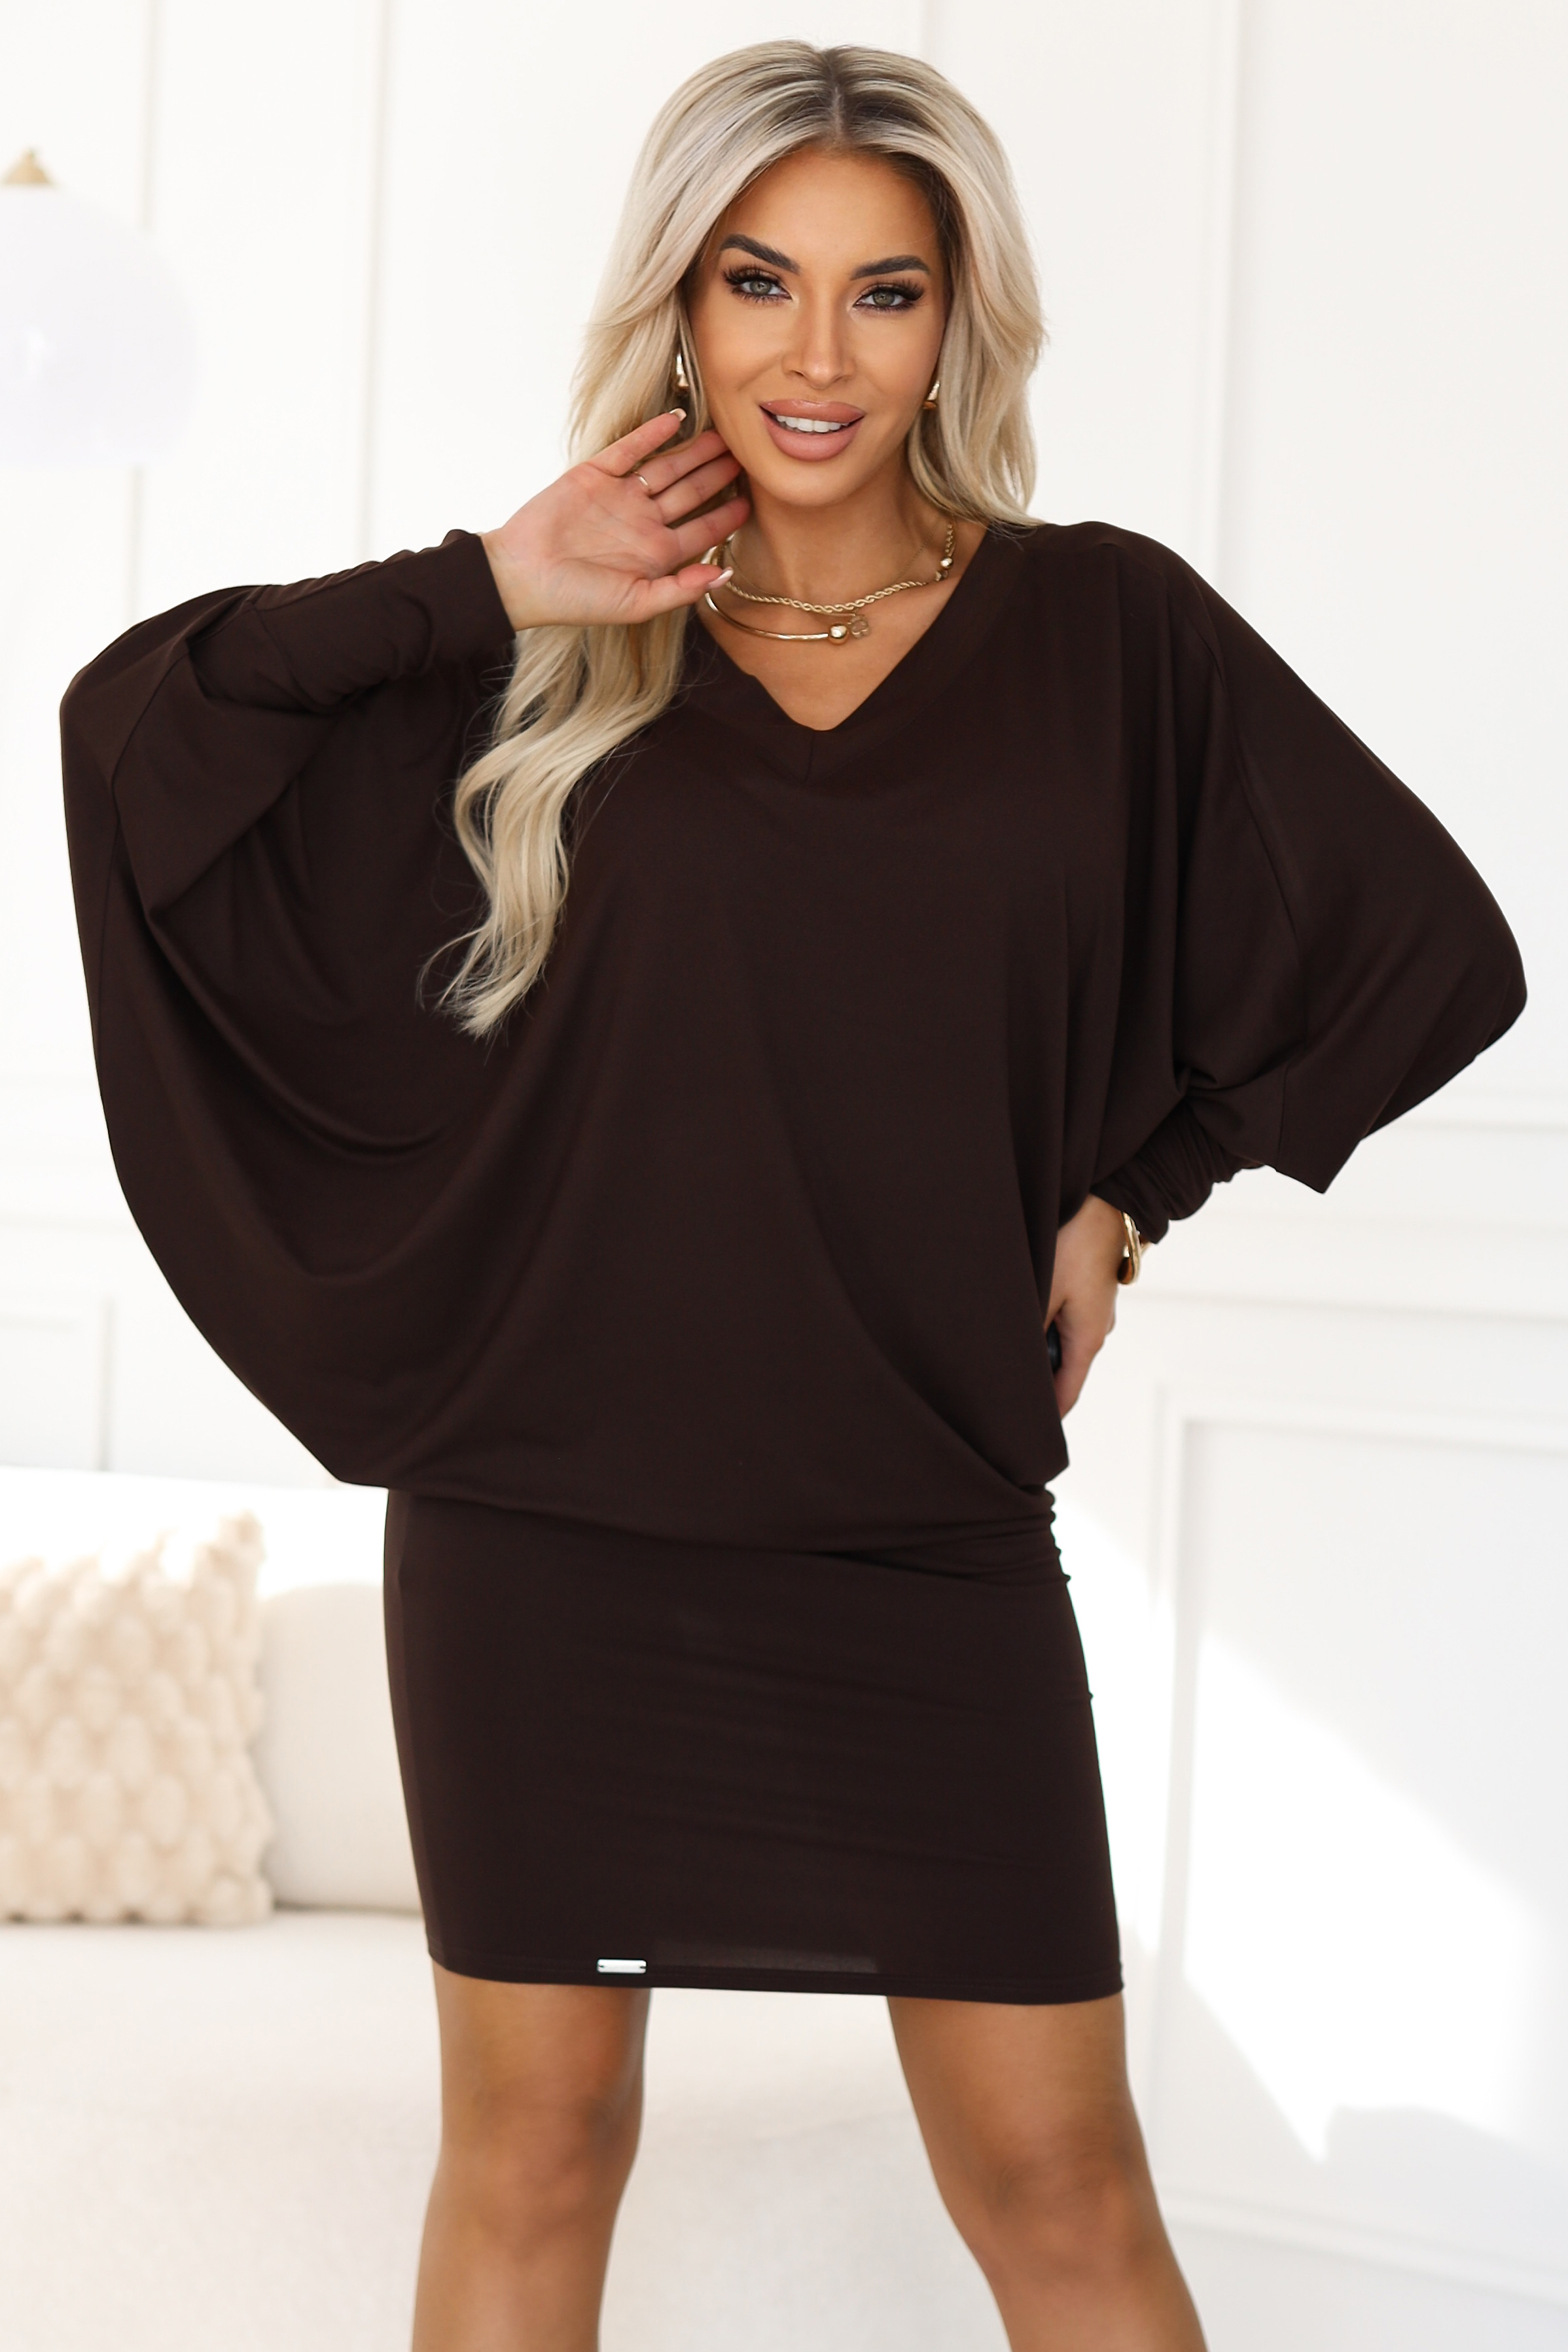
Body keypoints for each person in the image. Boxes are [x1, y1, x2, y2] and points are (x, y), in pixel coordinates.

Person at [61, 40, 1523, 2352]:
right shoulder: (548, 641)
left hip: (917, 1522)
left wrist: (1131, 1184)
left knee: (1060, 2184)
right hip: (545, 1526)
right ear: (679, 301)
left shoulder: (1108, 633)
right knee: (535, 2150)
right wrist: (483, 578)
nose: (815, 355)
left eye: (883, 291)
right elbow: (143, 742)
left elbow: (1416, 951)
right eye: (757, 282)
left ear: (958, 321)